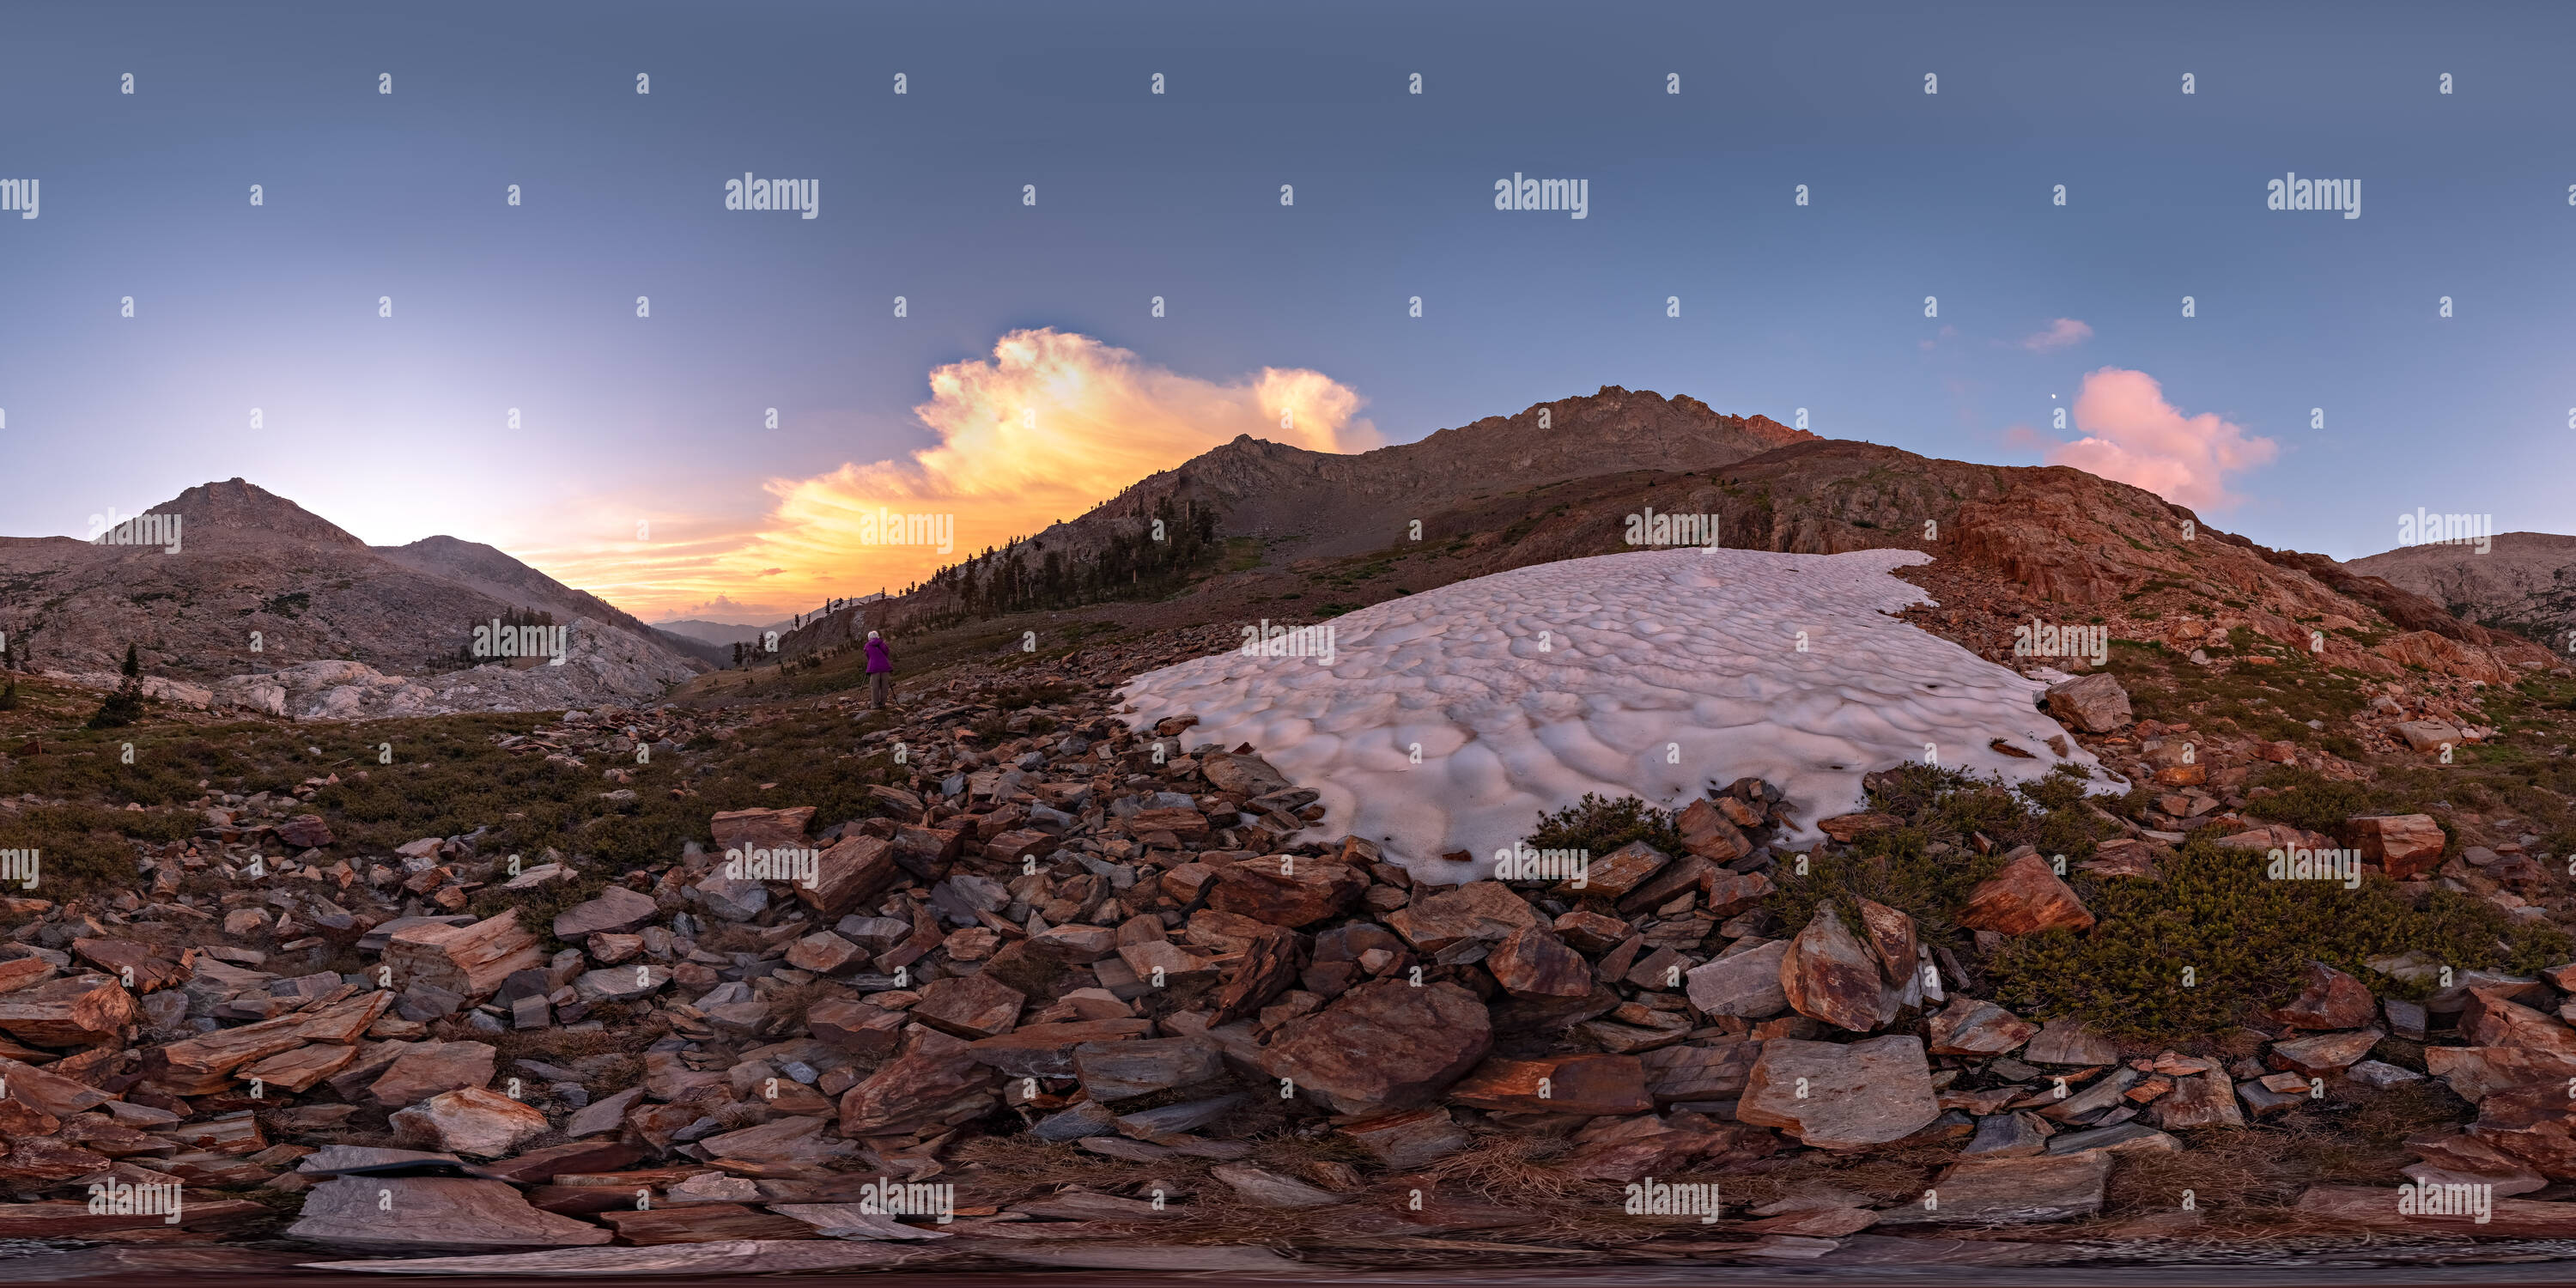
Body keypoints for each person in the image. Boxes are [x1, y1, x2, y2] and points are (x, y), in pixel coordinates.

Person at [865, 629, 894, 709]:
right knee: (884, 687)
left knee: (875, 687)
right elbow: (887, 653)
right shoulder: (882, 644)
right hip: (885, 667)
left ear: (869, 638)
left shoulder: (867, 645)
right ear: (877, 636)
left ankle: (875, 705)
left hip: (874, 668)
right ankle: (883, 704)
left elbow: (868, 655)